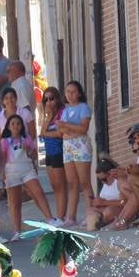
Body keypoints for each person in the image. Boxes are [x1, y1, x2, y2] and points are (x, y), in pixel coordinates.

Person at [1, 114, 57, 241]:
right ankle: (17, 231)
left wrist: (29, 150)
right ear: (8, 127)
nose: (16, 126)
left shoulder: (26, 139)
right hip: (11, 171)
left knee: (38, 192)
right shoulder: (4, 141)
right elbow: (3, 158)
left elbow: (34, 156)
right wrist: (2, 173)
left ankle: (50, 219)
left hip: (27, 169)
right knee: (15, 202)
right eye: (13, 124)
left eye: (18, 124)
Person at [57, 80, 94, 227]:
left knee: (84, 181)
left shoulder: (83, 108)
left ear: (79, 93)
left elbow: (83, 128)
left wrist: (67, 126)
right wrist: (70, 129)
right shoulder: (65, 111)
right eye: (68, 92)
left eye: (73, 91)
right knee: (72, 183)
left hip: (81, 145)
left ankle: (91, 213)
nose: (70, 95)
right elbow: (62, 132)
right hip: (68, 146)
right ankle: (70, 217)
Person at [39, 86, 68, 223]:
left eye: (51, 98)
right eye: (46, 100)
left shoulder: (62, 113)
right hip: (49, 153)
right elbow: (42, 133)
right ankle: (58, 215)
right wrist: (48, 116)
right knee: (54, 185)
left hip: (59, 151)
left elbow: (60, 134)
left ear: (57, 99)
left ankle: (62, 216)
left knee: (60, 185)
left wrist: (47, 133)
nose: (49, 102)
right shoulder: (49, 116)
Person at [87, 158, 139, 231]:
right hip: (108, 208)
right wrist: (98, 203)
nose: (103, 182)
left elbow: (123, 202)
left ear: (110, 173)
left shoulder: (120, 182)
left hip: (118, 209)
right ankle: (103, 222)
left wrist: (104, 202)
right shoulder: (105, 185)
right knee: (91, 210)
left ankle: (116, 221)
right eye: (100, 180)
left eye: (104, 179)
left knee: (108, 212)